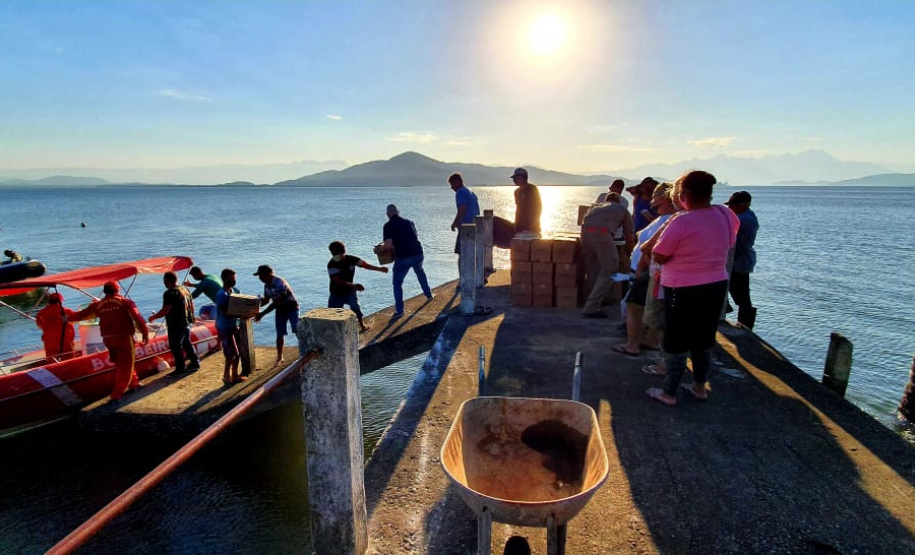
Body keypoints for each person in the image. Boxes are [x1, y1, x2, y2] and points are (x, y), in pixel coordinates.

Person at [644, 170, 739, 406]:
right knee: (703, 339)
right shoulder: (723, 213)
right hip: (716, 285)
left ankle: (669, 392)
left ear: (684, 193)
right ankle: (699, 388)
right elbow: (730, 241)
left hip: (682, 288)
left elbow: (660, 253)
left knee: (676, 340)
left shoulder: (681, 221)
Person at [613, 183, 676, 358]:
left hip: (649, 271)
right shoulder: (666, 218)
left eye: (657, 201)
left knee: (632, 305)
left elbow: (651, 248)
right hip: (653, 271)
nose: (654, 205)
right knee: (652, 306)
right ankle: (652, 340)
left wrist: (641, 268)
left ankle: (632, 344)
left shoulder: (670, 220)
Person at [71, 281, 149, 401]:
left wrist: (65, 318)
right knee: (126, 365)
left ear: (105, 291)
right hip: (123, 337)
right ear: (117, 290)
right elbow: (137, 318)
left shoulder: (98, 305)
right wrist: (145, 333)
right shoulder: (125, 303)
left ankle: (133, 382)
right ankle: (117, 394)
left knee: (120, 364)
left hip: (108, 339)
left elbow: (81, 315)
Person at [580, 193, 635, 318]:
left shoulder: (594, 207)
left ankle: (598, 300)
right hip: (603, 235)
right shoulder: (622, 209)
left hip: (585, 235)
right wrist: (631, 252)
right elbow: (629, 234)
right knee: (610, 271)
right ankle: (591, 307)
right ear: (618, 201)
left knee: (593, 270)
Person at [376, 203, 433, 319]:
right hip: (418, 253)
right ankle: (429, 295)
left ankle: (399, 310)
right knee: (419, 271)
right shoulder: (409, 222)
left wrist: (378, 250)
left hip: (404, 257)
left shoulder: (388, 226)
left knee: (397, 283)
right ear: (398, 212)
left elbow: (388, 245)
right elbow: (414, 236)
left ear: (388, 214)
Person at [327, 240, 389, 332]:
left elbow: (365, 265)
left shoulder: (351, 259)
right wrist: (354, 286)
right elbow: (337, 281)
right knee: (332, 313)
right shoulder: (331, 265)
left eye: (338, 254)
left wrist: (379, 269)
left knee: (355, 307)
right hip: (336, 292)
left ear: (343, 252)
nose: (336, 256)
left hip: (349, 291)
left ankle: (362, 325)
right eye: (334, 254)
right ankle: (334, 331)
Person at [148, 271, 200, 375]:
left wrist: (154, 317)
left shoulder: (169, 293)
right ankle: (195, 362)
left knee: (175, 345)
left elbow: (166, 309)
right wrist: (192, 317)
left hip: (176, 323)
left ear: (166, 281)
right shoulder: (185, 289)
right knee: (186, 343)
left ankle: (180, 369)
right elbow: (192, 305)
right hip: (186, 322)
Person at [254, 265, 299, 367]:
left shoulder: (280, 283)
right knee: (280, 334)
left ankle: (304, 349)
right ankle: (279, 358)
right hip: (280, 310)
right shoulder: (267, 286)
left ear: (268, 274)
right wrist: (253, 306)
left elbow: (277, 302)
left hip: (291, 307)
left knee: (296, 328)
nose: (260, 278)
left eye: (261, 276)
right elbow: (266, 300)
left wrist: (262, 314)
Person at [725, 191, 759, 329]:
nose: (730, 208)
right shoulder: (743, 216)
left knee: (742, 296)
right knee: (735, 291)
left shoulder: (744, 219)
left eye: (733, 205)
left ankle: (745, 326)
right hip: (737, 260)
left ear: (745, 204)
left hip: (740, 261)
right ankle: (728, 308)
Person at [448, 173, 481, 283]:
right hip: (475, 225)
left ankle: (463, 280)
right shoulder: (470, 191)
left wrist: (455, 223)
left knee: (462, 254)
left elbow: (462, 209)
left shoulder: (460, 193)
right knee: (473, 253)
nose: (451, 187)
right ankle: (477, 276)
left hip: (466, 227)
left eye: (452, 184)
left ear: (457, 182)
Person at [215, 268, 245, 384]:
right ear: (224, 279)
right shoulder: (221, 294)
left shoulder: (235, 291)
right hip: (225, 327)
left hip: (235, 325)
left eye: (234, 279)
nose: (234, 281)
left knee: (239, 352)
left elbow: (242, 304)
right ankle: (226, 375)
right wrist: (240, 314)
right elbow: (225, 311)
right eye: (231, 279)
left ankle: (235, 375)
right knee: (230, 353)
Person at [35, 292, 77, 362]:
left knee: (53, 363)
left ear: (49, 302)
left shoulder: (41, 314)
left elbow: (40, 326)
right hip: (64, 343)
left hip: (50, 344)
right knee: (69, 362)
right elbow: (73, 320)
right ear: (60, 301)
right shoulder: (65, 312)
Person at [511, 167, 542, 233]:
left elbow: (538, 207)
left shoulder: (532, 189)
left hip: (532, 228)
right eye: (514, 178)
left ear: (523, 177)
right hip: (519, 227)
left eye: (516, 178)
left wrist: (533, 224)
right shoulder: (517, 192)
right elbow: (518, 209)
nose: (514, 180)